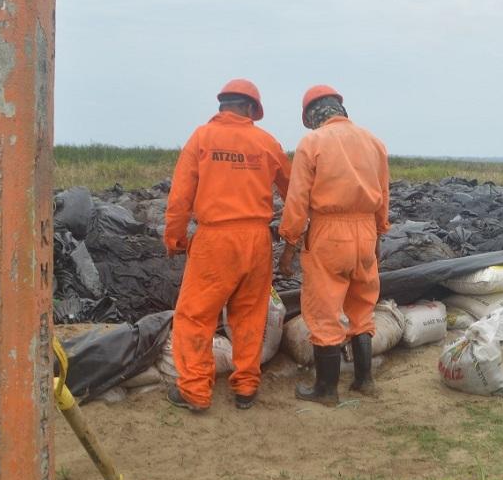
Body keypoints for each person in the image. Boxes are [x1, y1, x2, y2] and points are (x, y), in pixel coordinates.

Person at [164, 79, 291, 411]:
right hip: (257, 240)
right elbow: (294, 190)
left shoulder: (202, 138)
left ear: (223, 106)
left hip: (214, 239)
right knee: (250, 315)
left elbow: (180, 197)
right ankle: (246, 386)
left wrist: (175, 237)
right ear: (251, 109)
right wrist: (291, 235)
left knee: (195, 316)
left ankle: (194, 390)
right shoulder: (267, 143)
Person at [278, 85, 390, 406]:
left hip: (329, 235)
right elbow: (383, 196)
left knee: (324, 311)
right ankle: (364, 381)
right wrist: (378, 236)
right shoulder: (374, 142)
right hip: (366, 232)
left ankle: (327, 389)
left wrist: (289, 248)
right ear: (340, 108)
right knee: (362, 306)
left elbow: (297, 202)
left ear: (312, 116)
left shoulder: (312, 142)